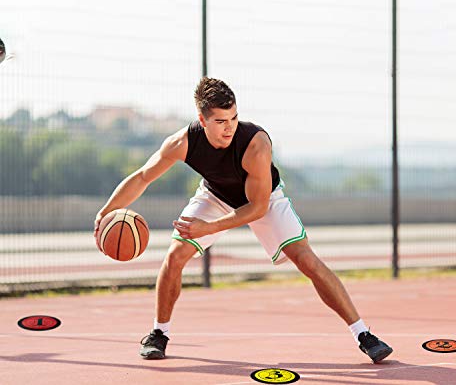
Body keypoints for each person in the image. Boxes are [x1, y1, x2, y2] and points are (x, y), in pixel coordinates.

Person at [94, 77, 393, 363]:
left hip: (264, 199)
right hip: (214, 196)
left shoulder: (255, 144)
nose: (229, 128)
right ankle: (159, 333)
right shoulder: (182, 142)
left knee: (306, 260)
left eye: (233, 118)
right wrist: (106, 211)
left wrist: (208, 228)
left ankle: (364, 334)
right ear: (202, 120)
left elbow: (257, 208)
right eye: (220, 121)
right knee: (175, 256)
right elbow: (143, 177)